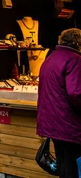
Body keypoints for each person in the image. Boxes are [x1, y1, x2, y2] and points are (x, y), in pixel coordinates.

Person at [37, 28, 81, 178]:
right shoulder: (75, 59)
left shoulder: (50, 58)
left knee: (63, 164)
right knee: (73, 166)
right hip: (69, 126)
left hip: (52, 124)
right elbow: (76, 93)